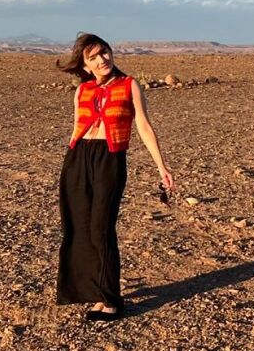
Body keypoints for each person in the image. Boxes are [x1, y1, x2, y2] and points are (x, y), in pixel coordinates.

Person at [56, 33, 174, 319]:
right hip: (78, 158)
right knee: (79, 227)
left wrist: (162, 167)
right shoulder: (82, 90)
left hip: (110, 159)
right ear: (85, 66)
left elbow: (144, 126)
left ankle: (111, 300)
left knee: (101, 228)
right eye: (93, 57)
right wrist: (69, 165)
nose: (102, 60)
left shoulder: (129, 85)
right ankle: (93, 292)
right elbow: (76, 127)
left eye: (105, 52)